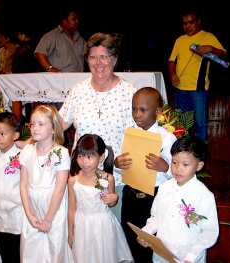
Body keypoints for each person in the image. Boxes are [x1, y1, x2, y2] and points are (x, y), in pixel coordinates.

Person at [59, 32, 137, 221]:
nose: (98, 63)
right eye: (92, 57)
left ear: (114, 59)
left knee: (109, 240)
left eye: (104, 57)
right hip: (81, 179)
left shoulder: (128, 93)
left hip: (113, 179)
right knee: (82, 237)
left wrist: (121, 162)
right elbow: (59, 124)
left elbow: (137, 136)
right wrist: (31, 140)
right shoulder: (79, 90)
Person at [115, 87, 177, 263]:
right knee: (130, 240)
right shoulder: (129, 133)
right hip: (130, 195)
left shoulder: (167, 138)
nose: (137, 114)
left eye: (142, 109)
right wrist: (118, 165)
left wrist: (165, 167)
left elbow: (178, 174)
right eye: (134, 109)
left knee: (149, 245)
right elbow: (123, 167)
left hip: (153, 198)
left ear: (157, 111)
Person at [138, 135, 219, 263]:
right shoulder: (164, 188)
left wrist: (191, 256)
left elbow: (209, 232)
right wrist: (146, 233)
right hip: (162, 254)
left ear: (199, 166)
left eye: (185, 164)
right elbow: (156, 217)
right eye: (174, 162)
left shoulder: (203, 196)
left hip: (188, 258)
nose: (178, 168)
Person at [19, 105, 73, 262]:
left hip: (53, 210)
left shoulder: (61, 153)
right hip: (32, 209)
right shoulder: (27, 151)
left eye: (41, 124)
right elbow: (23, 185)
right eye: (32, 124)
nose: (35, 128)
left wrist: (49, 219)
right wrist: (29, 214)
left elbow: (60, 188)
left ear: (54, 128)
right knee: (31, 251)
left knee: (54, 251)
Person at [68, 134, 133, 263]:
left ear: (101, 157)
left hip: (103, 226)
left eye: (89, 156)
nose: (84, 161)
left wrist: (114, 198)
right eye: (80, 156)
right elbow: (71, 208)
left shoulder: (106, 178)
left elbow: (110, 203)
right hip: (82, 225)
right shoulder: (73, 180)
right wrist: (70, 232)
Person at [168, 8, 226, 142]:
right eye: (185, 23)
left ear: (198, 22)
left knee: (200, 123)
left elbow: (223, 53)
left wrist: (210, 48)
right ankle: (183, 149)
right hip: (180, 88)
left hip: (198, 89)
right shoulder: (179, 40)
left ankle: (201, 153)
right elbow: (171, 60)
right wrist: (172, 75)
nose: (187, 26)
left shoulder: (208, 37)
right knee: (182, 124)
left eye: (191, 22)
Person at [0, 112, 22, 263]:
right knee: (5, 254)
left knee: (19, 254)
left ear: (15, 135)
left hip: (18, 214)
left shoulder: (23, 156)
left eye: (2, 133)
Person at [34, 6, 85, 72]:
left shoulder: (80, 38)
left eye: (77, 19)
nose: (77, 21)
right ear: (65, 21)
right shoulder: (53, 35)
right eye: (74, 19)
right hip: (61, 79)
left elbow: (87, 56)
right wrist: (49, 68)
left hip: (79, 78)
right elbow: (39, 53)